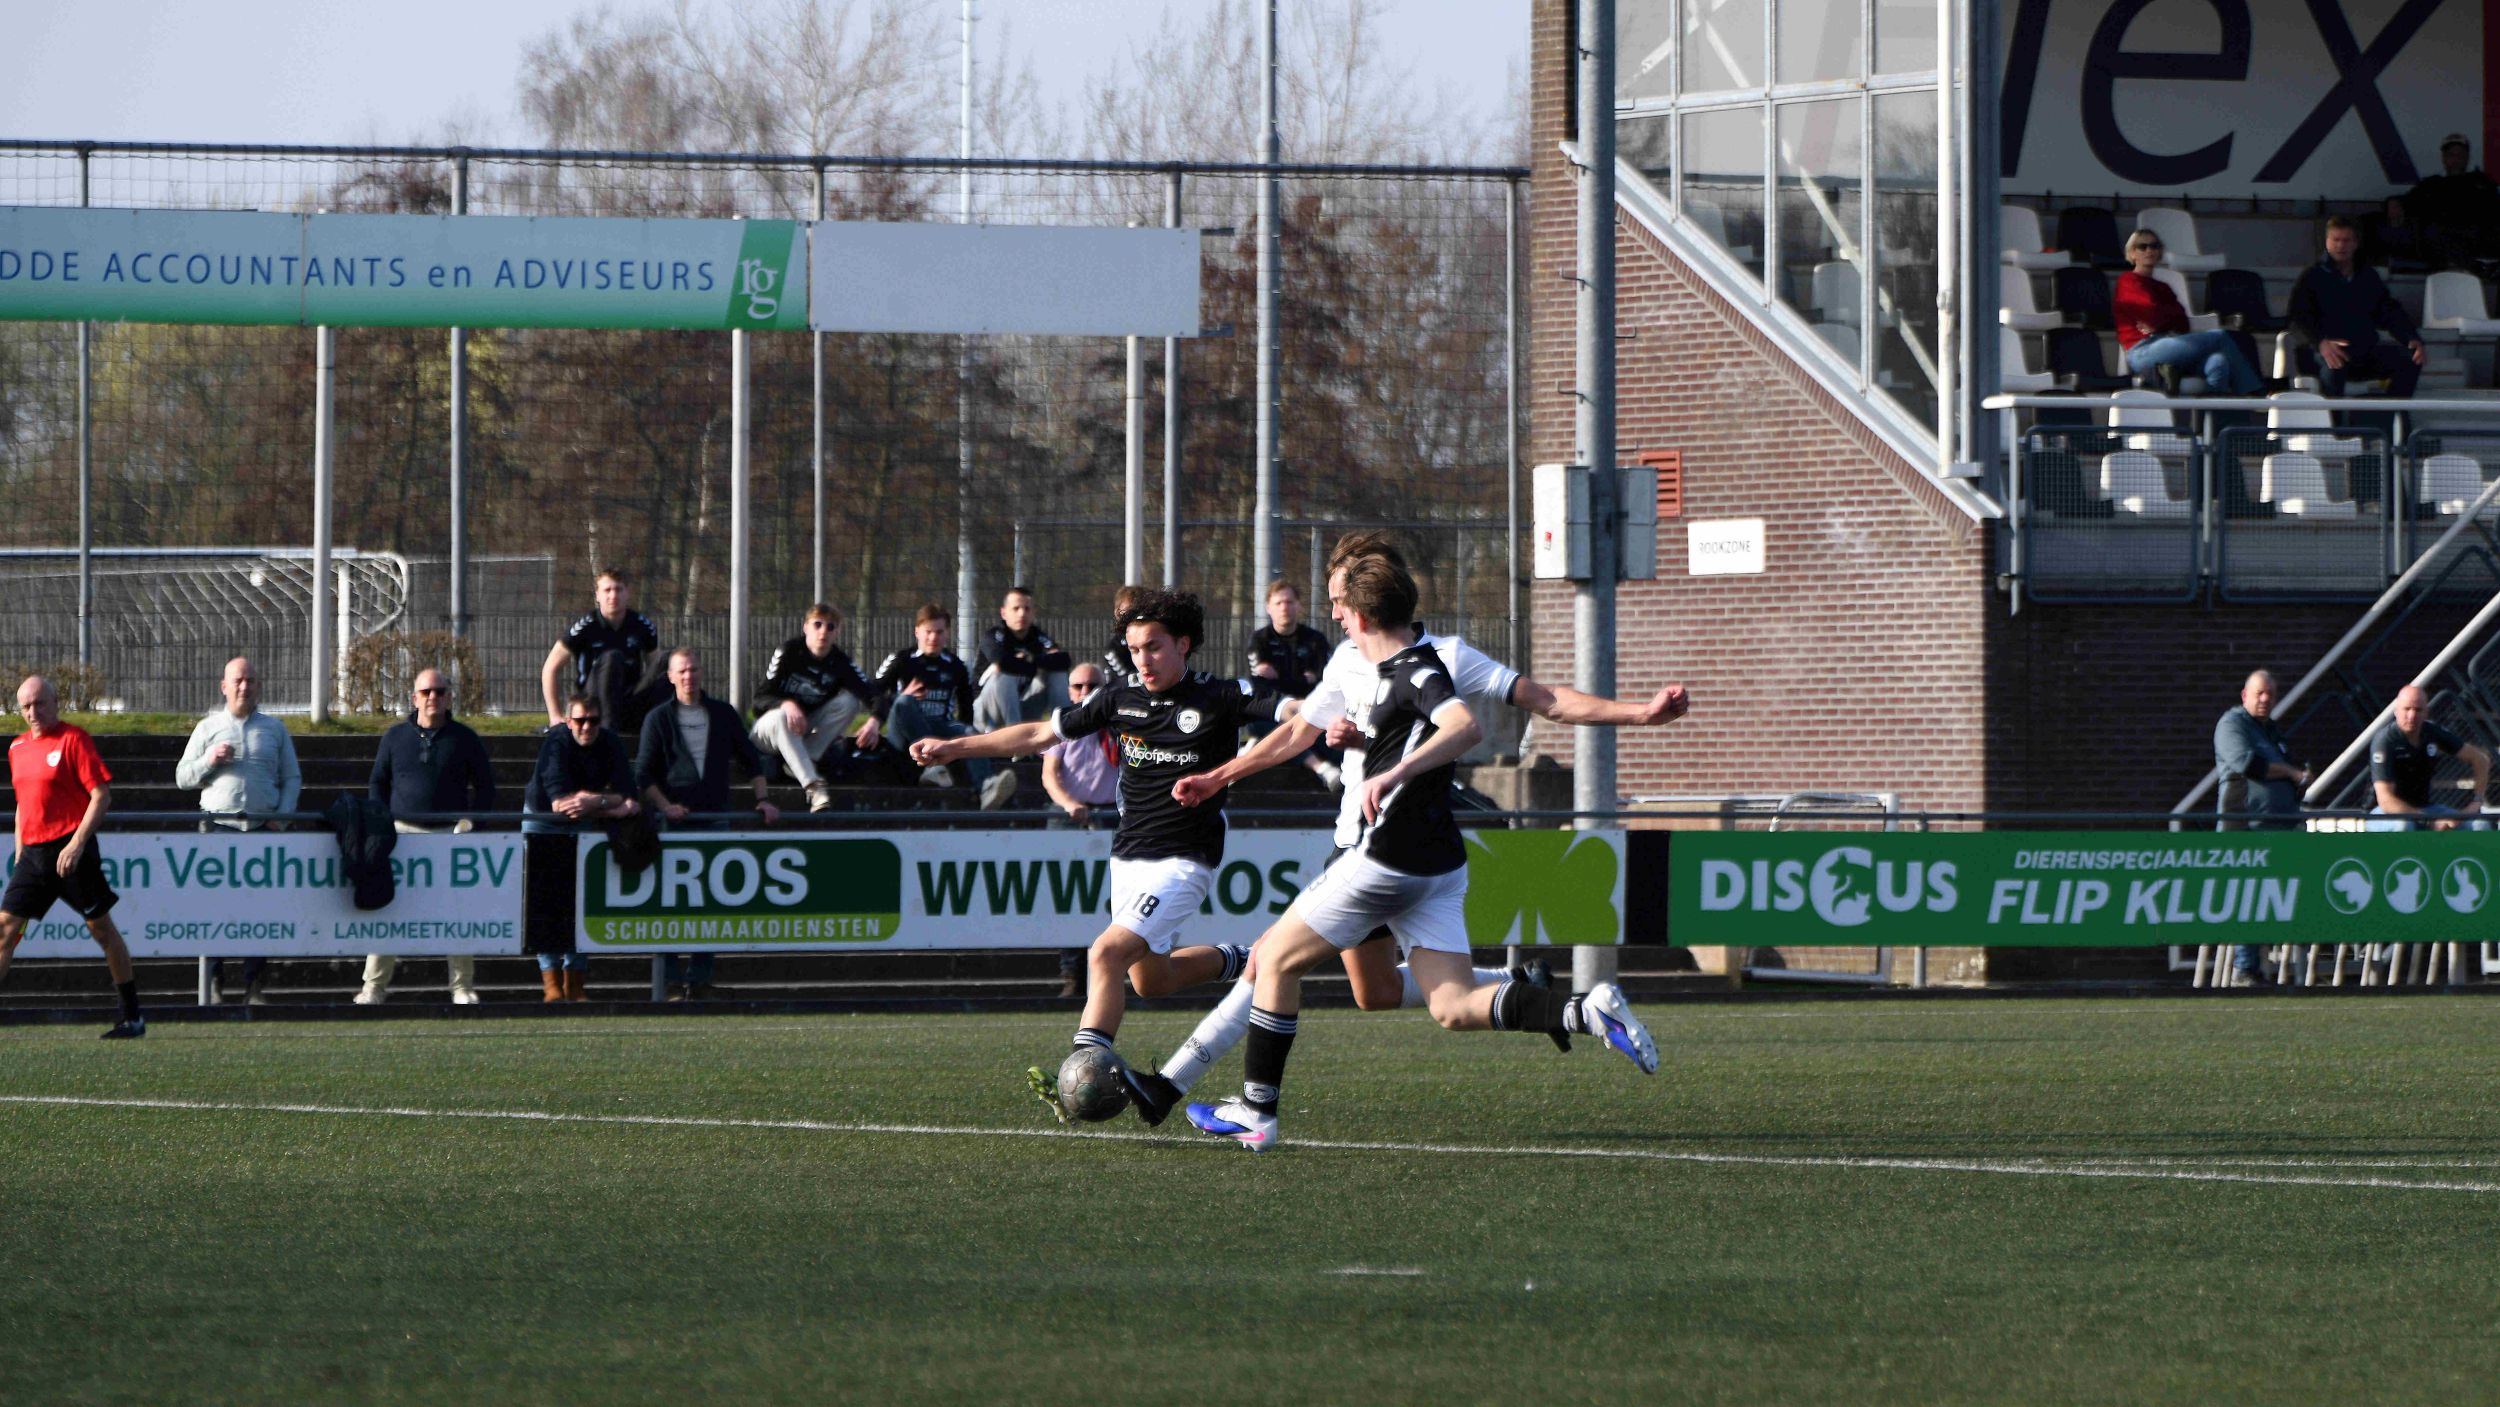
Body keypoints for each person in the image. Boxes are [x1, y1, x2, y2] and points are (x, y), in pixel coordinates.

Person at [1126, 531, 1689, 1125]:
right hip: (1417, 855)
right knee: (1409, 998)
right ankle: (1576, 1009)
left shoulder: (1443, 659)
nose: (1333, 613)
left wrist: (1640, 713)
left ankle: (1196, 1093)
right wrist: (1221, 776)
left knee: (1272, 960)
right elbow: (1299, 733)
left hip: (1377, 849)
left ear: (1369, 600)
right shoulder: (1349, 659)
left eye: (1339, 599)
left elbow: (1540, 701)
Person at [906, 589, 1281, 1121]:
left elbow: (1293, 713)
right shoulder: (1118, 698)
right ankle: (1244, 959)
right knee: (1150, 980)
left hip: (1184, 858)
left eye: (1154, 647)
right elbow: (1040, 733)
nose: (1142, 659)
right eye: (1134, 649)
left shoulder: (1220, 695)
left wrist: (1320, 717)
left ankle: (1080, 1065)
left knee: (1104, 953)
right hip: (1128, 857)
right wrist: (953, 747)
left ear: (1183, 644)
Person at [0, 675, 144, 1038]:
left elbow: (101, 796)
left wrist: (77, 844)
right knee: (5, 931)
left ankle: (132, 1018)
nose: (33, 712)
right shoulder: (17, 747)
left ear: (55, 703)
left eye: (40, 703)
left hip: (72, 853)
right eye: (26, 706)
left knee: (102, 930)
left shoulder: (73, 740)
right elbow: (23, 805)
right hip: (33, 856)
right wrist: (20, 852)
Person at [638, 648, 779, 1000]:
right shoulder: (658, 718)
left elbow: (751, 761)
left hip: (714, 818)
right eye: (682, 671)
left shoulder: (723, 713)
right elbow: (644, 774)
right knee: (671, 902)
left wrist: (762, 799)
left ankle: (699, 979)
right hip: (673, 824)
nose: (689, 676)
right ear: (670, 677)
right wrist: (666, 806)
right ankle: (670, 980)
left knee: (710, 902)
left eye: (694, 670)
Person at [355, 669, 498, 1005]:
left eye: (440, 691)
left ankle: (462, 987)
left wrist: (472, 823)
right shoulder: (394, 737)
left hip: (450, 836)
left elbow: (486, 786)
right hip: (401, 835)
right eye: (427, 692)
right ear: (414, 697)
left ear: (449, 697)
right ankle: (373, 988)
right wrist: (381, 822)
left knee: (457, 913)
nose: (433, 697)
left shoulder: (465, 738)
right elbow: (378, 783)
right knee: (389, 911)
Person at [175, 655, 301, 1005]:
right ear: (224, 687)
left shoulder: (275, 729)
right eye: (238, 681)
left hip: (261, 830)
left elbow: (291, 777)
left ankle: (254, 987)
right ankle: (214, 983)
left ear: (258, 686)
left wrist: (282, 817)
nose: (244, 687)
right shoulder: (207, 728)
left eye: (250, 681)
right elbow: (182, 777)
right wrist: (210, 760)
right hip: (219, 829)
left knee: (260, 911)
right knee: (214, 909)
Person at [524, 694, 640, 1001]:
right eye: (579, 720)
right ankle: (551, 981)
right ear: (568, 721)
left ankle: (574, 981)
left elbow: (630, 794)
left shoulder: (610, 742)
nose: (587, 727)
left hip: (584, 822)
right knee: (545, 901)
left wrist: (595, 801)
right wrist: (608, 805)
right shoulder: (556, 742)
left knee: (582, 900)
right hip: (543, 821)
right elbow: (561, 804)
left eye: (593, 721)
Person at [2213, 669, 2307, 986]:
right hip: (2246, 827)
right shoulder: (2232, 724)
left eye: (2271, 694)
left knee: (2285, 895)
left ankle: (2292, 968)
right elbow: (2247, 764)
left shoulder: (2272, 731)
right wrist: (2291, 774)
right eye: (2259, 693)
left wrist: (2298, 781)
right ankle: (2246, 968)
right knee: (2248, 894)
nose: (2266, 699)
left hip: (2284, 828)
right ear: (2245, 695)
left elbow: (2288, 769)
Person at [876, 604, 1017, 810]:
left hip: (940, 726)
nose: (933, 637)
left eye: (939, 632)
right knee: (904, 702)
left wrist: (963, 740)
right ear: (917, 632)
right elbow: (874, 692)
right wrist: (895, 701)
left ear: (947, 633)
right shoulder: (902, 660)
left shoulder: (955, 665)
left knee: (968, 731)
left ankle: (987, 787)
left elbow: (966, 709)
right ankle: (933, 768)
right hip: (904, 731)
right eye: (928, 632)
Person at [752, 603, 885, 813]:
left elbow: (874, 695)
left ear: (837, 631)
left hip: (804, 731)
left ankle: (805, 760)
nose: (823, 631)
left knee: (849, 702)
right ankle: (813, 787)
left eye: (830, 627)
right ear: (806, 627)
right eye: (817, 625)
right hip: (769, 731)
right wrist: (785, 704)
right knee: (780, 717)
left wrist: (875, 721)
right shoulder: (789, 652)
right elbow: (759, 700)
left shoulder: (840, 662)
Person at [1040, 661, 1122, 998]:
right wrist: (1069, 804)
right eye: (1078, 686)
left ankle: (1111, 972)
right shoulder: (1062, 724)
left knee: (1115, 900)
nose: (1085, 692)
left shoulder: (1120, 723)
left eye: (1092, 686)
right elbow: (1049, 775)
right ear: (1069, 690)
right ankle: (1072, 973)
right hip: (1069, 816)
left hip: (1113, 816)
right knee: (1070, 898)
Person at [2287, 216, 2425, 399]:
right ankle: (2333, 417)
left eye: (2346, 240)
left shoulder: (2368, 277)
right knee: (2334, 364)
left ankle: (2391, 413)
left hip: (2363, 350)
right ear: (2327, 241)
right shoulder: (2312, 277)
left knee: (2410, 360)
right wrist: (2321, 343)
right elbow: (2298, 318)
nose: (2340, 245)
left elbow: (2388, 311)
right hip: (2321, 351)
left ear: (2355, 243)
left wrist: (2411, 338)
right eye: (2336, 240)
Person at [2113, 228, 2260, 394]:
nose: (2149, 250)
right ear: (2132, 253)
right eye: (2142, 246)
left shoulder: (2163, 287)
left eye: (2154, 246)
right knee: (2220, 336)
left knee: (2219, 361)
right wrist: (2164, 318)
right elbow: (2152, 315)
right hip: (2143, 350)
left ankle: (2215, 411)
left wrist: (2160, 320)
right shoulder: (2128, 281)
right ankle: (2253, 393)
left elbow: (2182, 322)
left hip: (2171, 344)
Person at [1247, 578, 1342, 789]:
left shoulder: (1315, 640)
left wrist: (1280, 678)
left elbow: (1323, 681)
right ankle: (1321, 768)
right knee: (1264, 724)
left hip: (1311, 709)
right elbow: (1261, 686)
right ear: (1268, 608)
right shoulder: (1259, 640)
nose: (1284, 608)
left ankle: (1256, 748)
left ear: (1298, 605)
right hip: (1274, 712)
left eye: (1289, 602)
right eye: (1279, 603)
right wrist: (1302, 679)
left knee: (1328, 737)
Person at [541, 567, 662, 732]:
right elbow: (550, 668)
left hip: (629, 697)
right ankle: (607, 731)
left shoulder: (642, 626)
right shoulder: (584, 627)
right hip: (593, 701)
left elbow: (656, 667)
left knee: (670, 662)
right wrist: (555, 715)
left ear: (627, 593)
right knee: (612, 658)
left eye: (618, 589)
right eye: (607, 590)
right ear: (597, 595)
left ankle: (667, 725)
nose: (613, 596)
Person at [2366, 685, 2490, 831]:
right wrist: (2428, 821)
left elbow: (2480, 760)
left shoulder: (2432, 732)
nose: (2412, 716)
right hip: (2383, 813)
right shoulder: (2385, 741)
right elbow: (2386, 801)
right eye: (2407, 709)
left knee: (2480, 825)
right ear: (2396, 711)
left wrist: (2476, 802)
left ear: (2426, 712)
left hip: (2426, 808)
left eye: (2418, 710)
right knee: (2404, 825)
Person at [973, 586, 1073, 732]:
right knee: (1003, 674)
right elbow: (1002, 663)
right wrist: (1036, 664)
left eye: (1027, 609)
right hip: (987, 711)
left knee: (1057, 672)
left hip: (1022, 707)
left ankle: (1064, 732)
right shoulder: (994, 636)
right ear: (1003, 613)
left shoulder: (1038, 637)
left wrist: (1029, 659)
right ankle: (1015, 738)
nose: (1021, 614)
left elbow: (1063, 660)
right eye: (1016, 608)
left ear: (1033, 613)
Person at [2402, 133, 2499, 268]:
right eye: (2451, 155)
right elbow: (2406, 204)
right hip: (2440, 243)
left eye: (2460, 155)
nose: (2456, 159)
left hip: (2473, 240)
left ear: (2467, 157)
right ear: (2443, 158)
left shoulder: (2481, 183)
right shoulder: (2431, 185)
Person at [1103, 584, 1146, 685]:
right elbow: (1126, 682)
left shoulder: (1157, 639)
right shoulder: (1115, 647)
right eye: (1130, 611)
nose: (1137, 616)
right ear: (1118, 613)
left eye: (1141, 611)